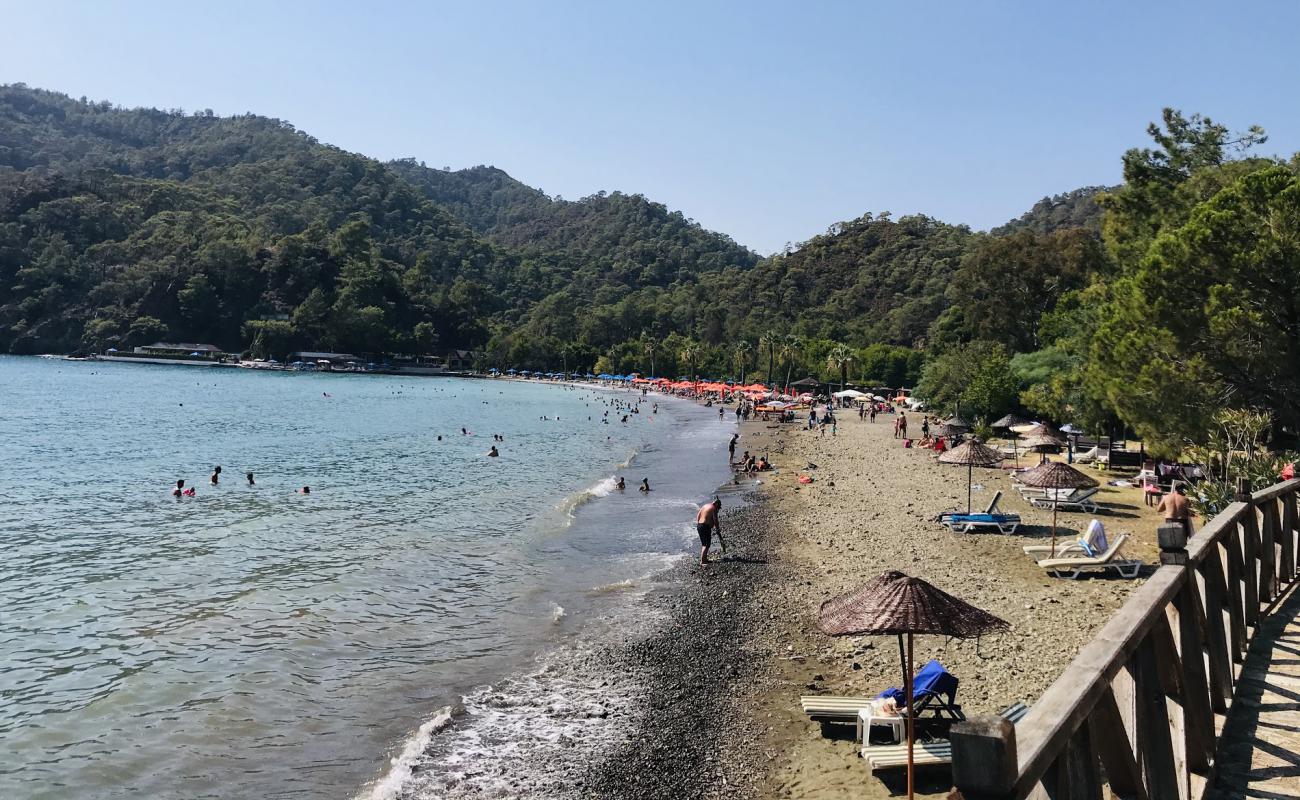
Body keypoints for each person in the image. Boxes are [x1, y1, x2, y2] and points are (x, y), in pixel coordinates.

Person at [695, 497, 723, 565]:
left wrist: (701, 523)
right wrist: (717, 529)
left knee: (704, 544)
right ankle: (703, 561)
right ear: (716, 505)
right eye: (718, 508)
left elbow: (698, 516)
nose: (718, 509)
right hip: (705, 527)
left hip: (699, 526)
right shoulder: (714, 508)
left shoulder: (705, 506)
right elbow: (715, 520)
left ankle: (704, 559)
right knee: (706, 544)